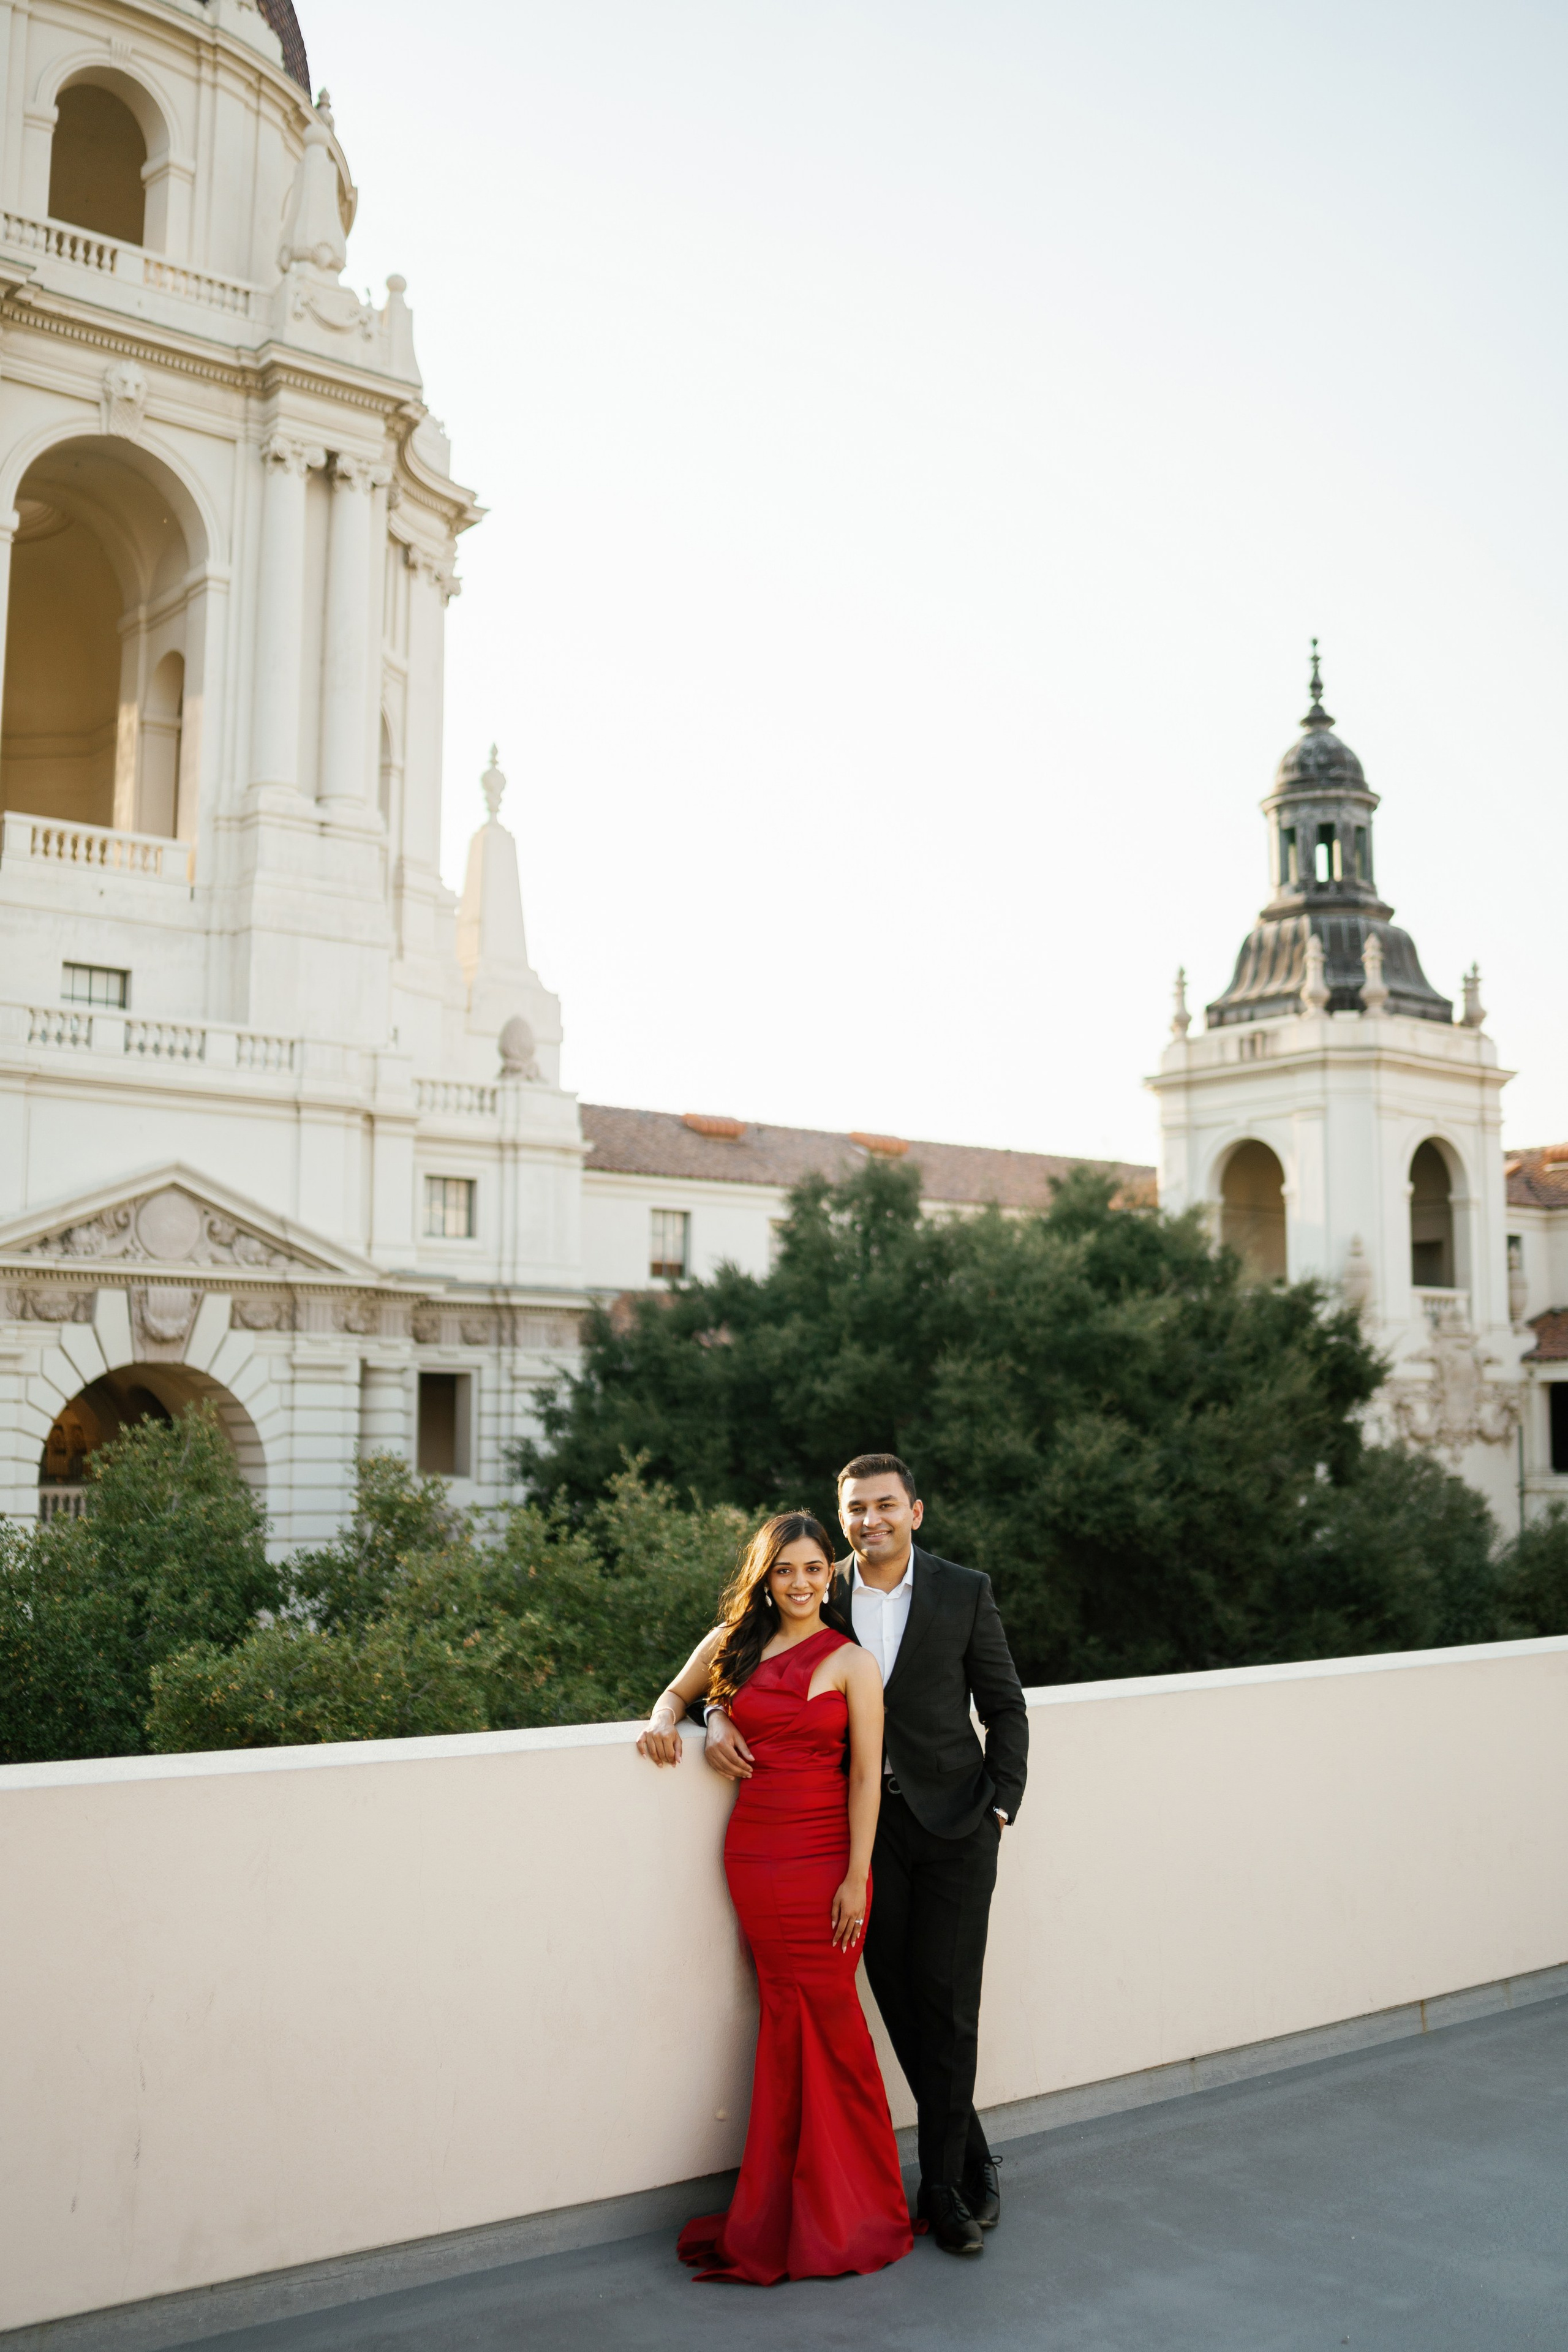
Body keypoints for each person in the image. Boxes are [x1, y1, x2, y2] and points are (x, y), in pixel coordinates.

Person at [704, 1455, 1028, 2259]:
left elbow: (1005, 1706)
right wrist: (713, 1715)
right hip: (856, 1832)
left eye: (885, 1505)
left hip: (955, 1827)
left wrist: (998, 1805)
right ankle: (974, 2157)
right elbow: (744, 1652)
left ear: (915, 1511)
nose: (869, 1520)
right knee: (898, 2005)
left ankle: (944, 2187)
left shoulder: (963, 1589)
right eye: (856, 1508)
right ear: (840, 1515)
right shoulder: (820, 1581)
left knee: (948, 2005)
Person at [638, 1512, 913, 2285]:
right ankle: (788, 2209)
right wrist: (691, 1717)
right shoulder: (734, 1641)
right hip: (756, 1853)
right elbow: (674, 1694)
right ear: (766, 1576)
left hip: (826, 1858)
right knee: (787, 2016)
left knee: (831, 2019)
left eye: (814, 1570)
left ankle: (849, 2207)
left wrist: (857, 1876)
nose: (799, 1583)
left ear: (832, 1575)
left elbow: (866, 1777)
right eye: (785, 1570)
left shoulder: (852, 1662)